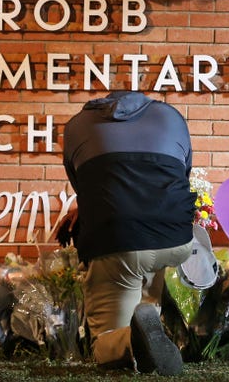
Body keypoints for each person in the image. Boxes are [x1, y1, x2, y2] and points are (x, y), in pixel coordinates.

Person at [60, 90, 195, 375]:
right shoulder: (171, 116)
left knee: (105, 340)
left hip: (119, 241)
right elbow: (181, 176)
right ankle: (151, 331)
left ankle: (131, 341)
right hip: (176, 238)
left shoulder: (77, 126)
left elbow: (84, 188)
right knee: (146, 277)